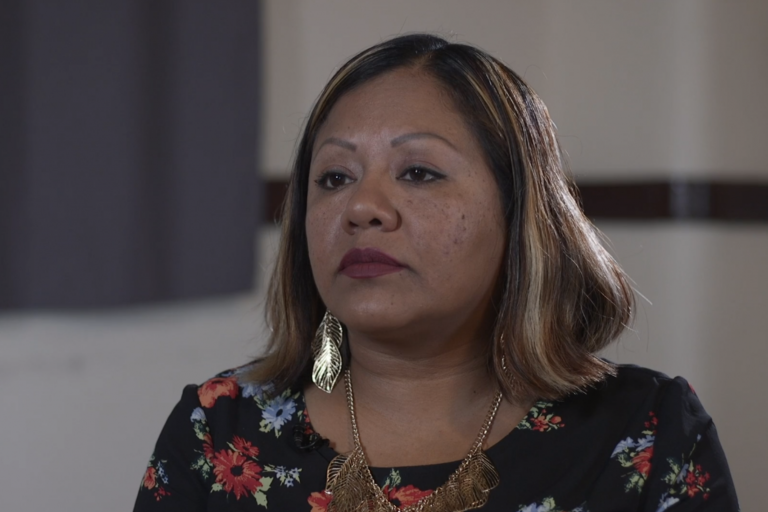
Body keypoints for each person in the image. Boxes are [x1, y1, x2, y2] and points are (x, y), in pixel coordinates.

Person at [133, 34, 739, 512]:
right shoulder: (218, 430)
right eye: (334, 178)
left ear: (518, 210)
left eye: (418, 172)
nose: (361, 208)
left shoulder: (647, 432)